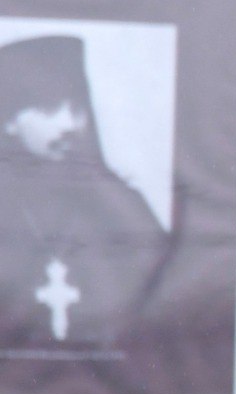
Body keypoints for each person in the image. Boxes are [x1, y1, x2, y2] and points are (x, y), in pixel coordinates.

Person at [0, 33, 169, 351]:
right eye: (50, 108)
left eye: (77, 108)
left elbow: (162, 277)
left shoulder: (115, 199)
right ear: (8, 120)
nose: (69, 123)